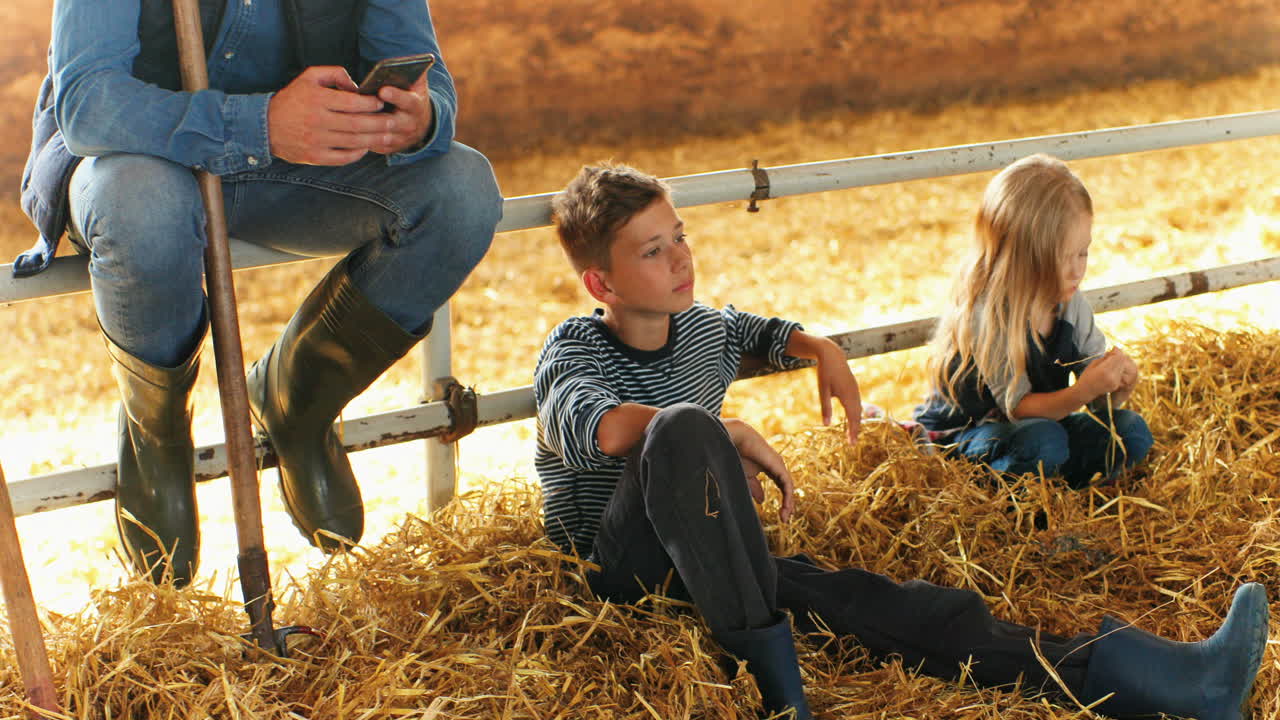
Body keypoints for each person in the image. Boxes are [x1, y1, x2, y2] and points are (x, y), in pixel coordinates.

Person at [534, 162, 1267, 719]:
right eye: (653, 251)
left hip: (718, 560)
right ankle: (784, 696)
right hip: (620, 573)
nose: (680, 259)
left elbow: (753, 330)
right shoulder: (572, 351)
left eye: (680, 237)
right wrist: (718, 431)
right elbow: (592, 425)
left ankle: (1173, 681)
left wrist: (819, 347)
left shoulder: (699, 328)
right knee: (685, 427)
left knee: (905, 610)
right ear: (602, 283)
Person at [17, 0, 503, 586]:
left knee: (463, 192)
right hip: (137, 166)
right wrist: (261, 122)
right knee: (142, 206)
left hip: (293, 166)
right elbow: (88, 104)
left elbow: (431, 86)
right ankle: (155, 433)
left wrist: (419, 121)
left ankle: (297, 397)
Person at [913, 154, 1153, 489]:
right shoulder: (989, 315)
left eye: (1083, 253)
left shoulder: (1070, 306)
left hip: (1043, 429)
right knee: (1044, 442)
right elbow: (1019, 409)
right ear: (1023, 258)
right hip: (970, 437)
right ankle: (1015, 499)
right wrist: (1083, 390)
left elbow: (1096, 398)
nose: (1077, 270)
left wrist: (1117, 386)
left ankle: (1062, 491)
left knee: (1130, 432)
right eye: (1062, 257)